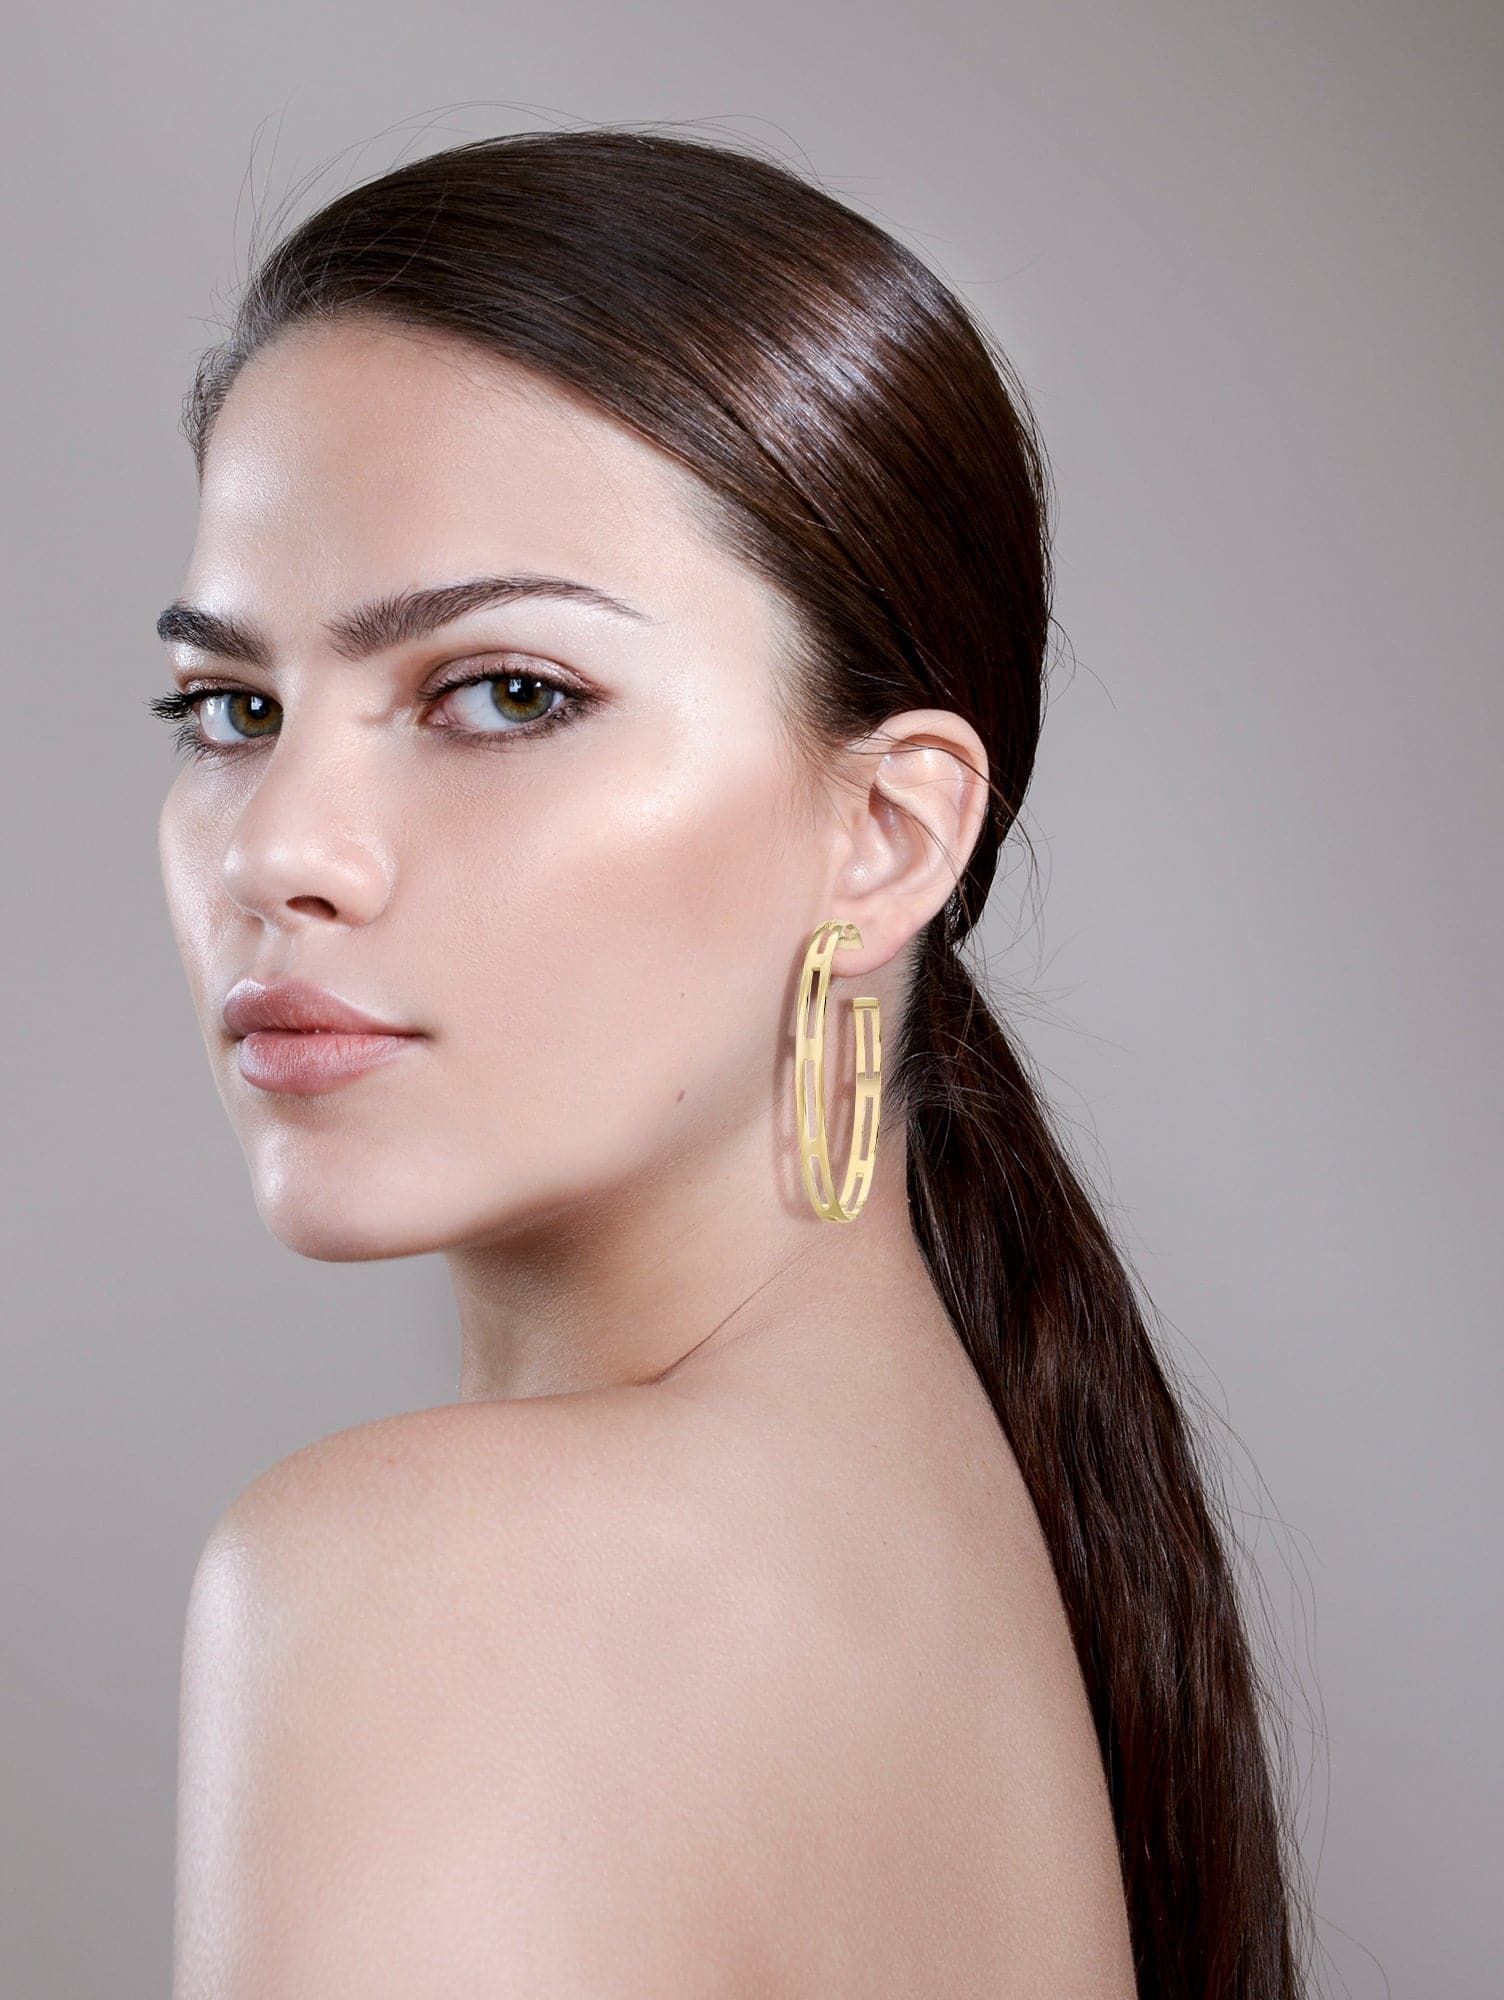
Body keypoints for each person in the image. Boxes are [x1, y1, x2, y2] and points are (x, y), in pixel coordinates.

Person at [153, 125, 1306, 1997]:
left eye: (506, 693)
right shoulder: (969, 1532)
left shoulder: (446, 1579)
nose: (282, 846)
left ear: (885, 834)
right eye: (231, 707)